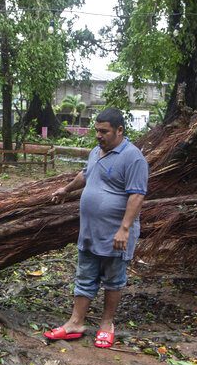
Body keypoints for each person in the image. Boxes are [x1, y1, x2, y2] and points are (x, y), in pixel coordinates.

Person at [45, 107, 148, 349]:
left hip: (115, 235)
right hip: (90, 231)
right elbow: (85, 174)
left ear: (120, 130)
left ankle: (106, 325)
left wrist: (124, 228)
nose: (99, 136)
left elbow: (137, 196)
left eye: (104, 131)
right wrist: (66, 190)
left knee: (113, 279)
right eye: (97, 131)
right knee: (85, 276)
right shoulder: (96, 152)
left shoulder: (133, 158)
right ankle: (75, 322)